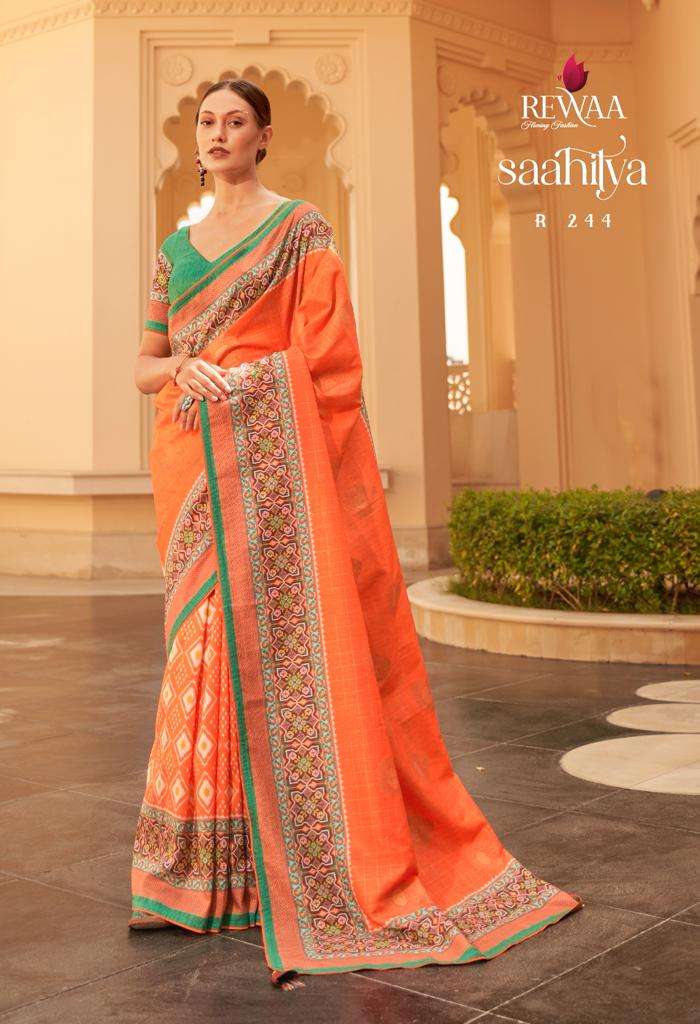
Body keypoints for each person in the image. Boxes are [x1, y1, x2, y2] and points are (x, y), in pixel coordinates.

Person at [131, 77, 584, 992]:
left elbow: (330, 361)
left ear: (263, 136)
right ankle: (195, 875)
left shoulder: (300, 232)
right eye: (206, 121)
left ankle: (281, 871)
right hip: (190, 467)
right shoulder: (174, 252)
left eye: (234, 122)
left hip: (270, 465)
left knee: (265, 649)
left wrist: (246, 383)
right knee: (200, 653)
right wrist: (181, 364)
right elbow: (144, 365)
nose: (216, 133)